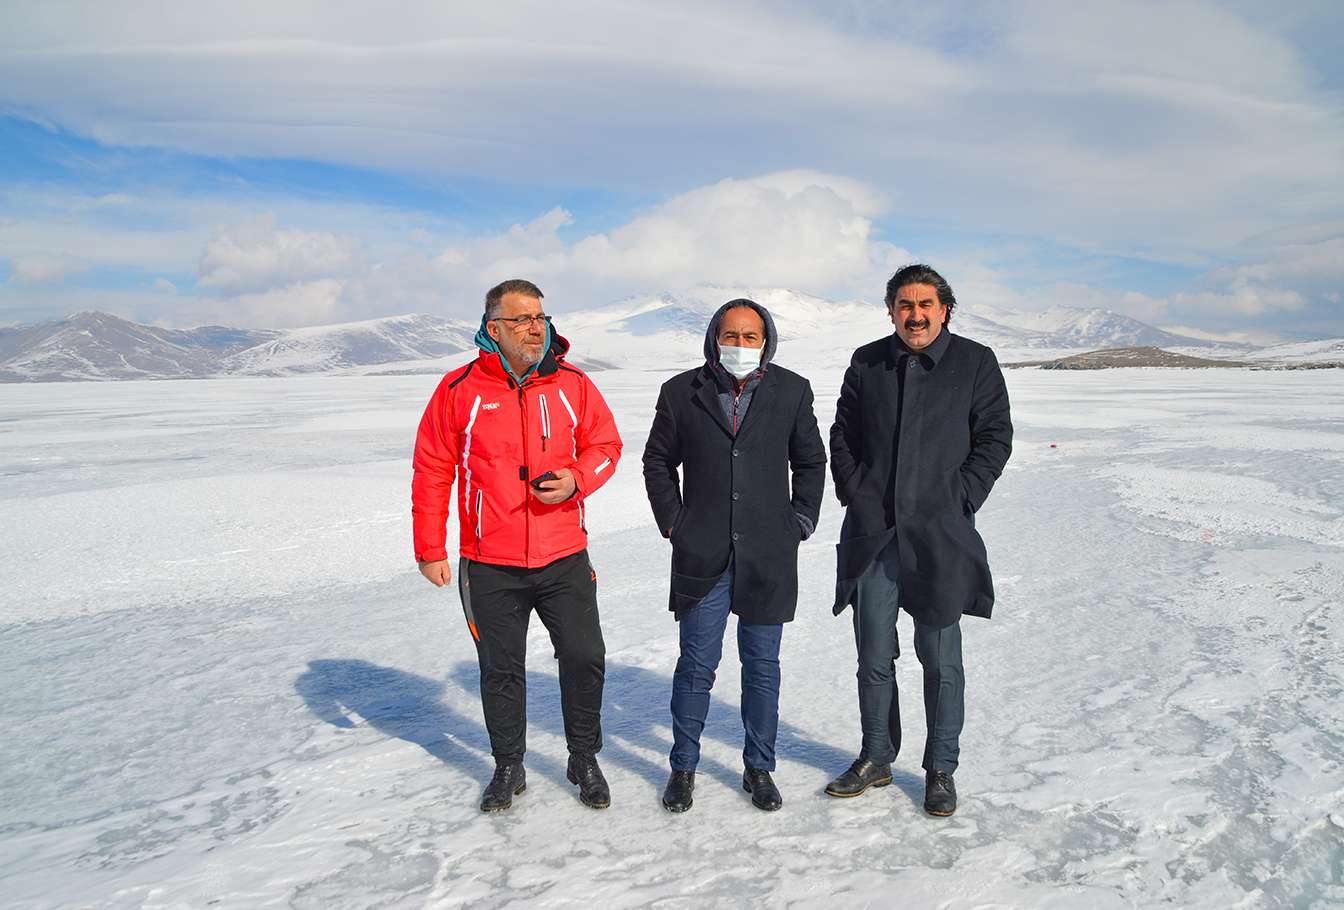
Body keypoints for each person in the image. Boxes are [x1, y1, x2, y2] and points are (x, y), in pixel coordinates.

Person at [411, 278, 623, 812]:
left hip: (563, 555)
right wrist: (429, 547)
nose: (536, 327)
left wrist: (578, 478)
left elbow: (606, 445)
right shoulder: (459, 390)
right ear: (493, 328)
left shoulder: (572, 384)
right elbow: (433, 469)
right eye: (523, 319)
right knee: (500, 668)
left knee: (583, 656)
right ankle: (509, 765)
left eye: (541, 318)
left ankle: (583, 756)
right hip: (489, 562)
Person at [825, 264, 1012, 817]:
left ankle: (940, 768)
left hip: (940, 536)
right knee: (874, 655)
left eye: (925, 304)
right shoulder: (868, 361)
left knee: (940, 659)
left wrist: (960, 497)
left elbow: (995, 437)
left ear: (944, 308)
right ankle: (877, 755)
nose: (915, 314)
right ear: (891, 311)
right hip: (875, 536)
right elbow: (842, 434)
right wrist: (858, 494)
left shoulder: (975, 362)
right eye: (904, 305)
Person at [642, 299, 826, 813]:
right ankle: (683, 767)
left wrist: (801, 519)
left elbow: (810, 460)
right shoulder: (682, 392)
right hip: (703, 553)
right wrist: (675, 522)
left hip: (769, 552)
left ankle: (759, 767)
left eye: (750, 336)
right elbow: (657, 461)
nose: (740, 346)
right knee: (697, 665)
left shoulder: (792, 390)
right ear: (713, 338)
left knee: (762, 666)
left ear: (766, 340)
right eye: (731, 335)